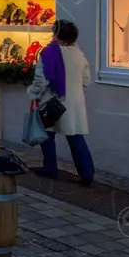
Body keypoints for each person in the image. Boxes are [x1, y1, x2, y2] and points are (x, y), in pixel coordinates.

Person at [28, 20, 95, 184]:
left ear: (57, 35)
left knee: (47, 134)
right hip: (74, 103)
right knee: (75, 136)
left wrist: (33, 94)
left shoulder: (49, 53)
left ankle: (50, 168)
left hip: (52, 100)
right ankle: (87, 174)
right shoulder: (79, 54)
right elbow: (86, 80)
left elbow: (40, 80)